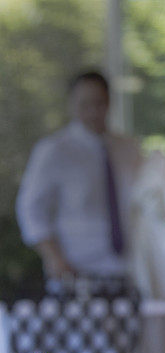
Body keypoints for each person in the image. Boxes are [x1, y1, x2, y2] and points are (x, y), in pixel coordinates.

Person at [16, 70, 142, 284]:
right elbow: (31, 209)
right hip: (76, 273)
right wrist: (54, 257)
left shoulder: (129, 148)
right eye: (84, 104)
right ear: (71, 104)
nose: (93, 111)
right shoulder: (54, 151)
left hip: (128, 271)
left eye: (99, 103)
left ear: (110, 102)